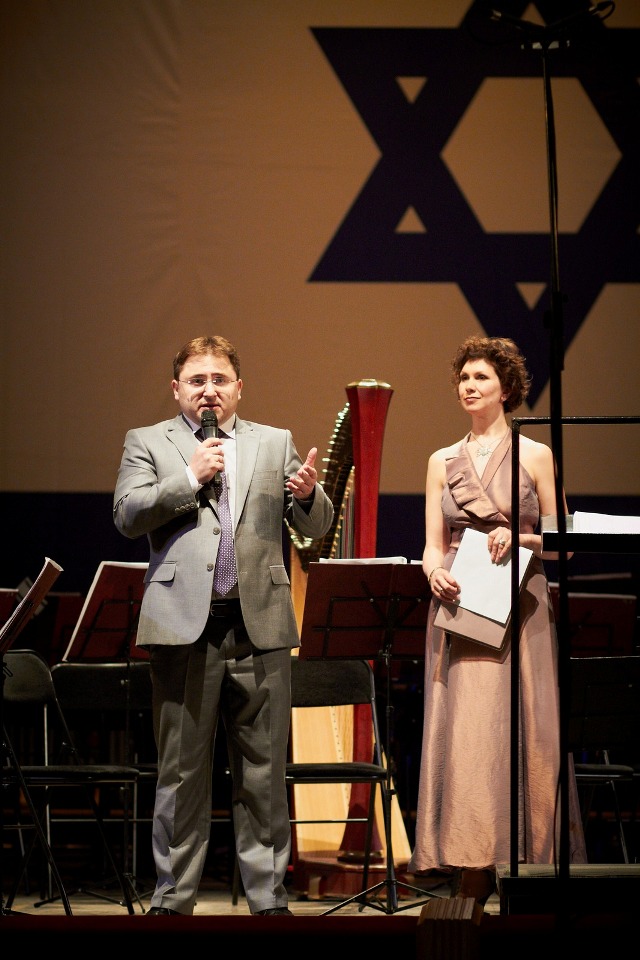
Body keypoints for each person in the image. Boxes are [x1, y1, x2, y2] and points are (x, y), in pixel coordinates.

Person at [113, 335, 334, 916]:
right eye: (196, 380)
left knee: (264, 773)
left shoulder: (274, 442)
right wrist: (188, 477)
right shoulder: (148, 441)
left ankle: (269, 899)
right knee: (181, 772)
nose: (208, 390)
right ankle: (173, 899)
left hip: (258, 627)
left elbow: (315, 526)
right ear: (176, 389)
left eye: (219, 380)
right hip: (184, 630)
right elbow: (127, 515)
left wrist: (309, 496)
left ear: (239, 387)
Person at [407, 335, 587, 905]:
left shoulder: (535, 455)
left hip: (521, 605)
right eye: (463, 377)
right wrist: (432, 573)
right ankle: (470, 864)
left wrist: (522, 536)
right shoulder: (441, 461)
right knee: (467, 732)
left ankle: (529, 862)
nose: (469, 385)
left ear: (506, 388)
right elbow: (432, 544)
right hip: (462, 603)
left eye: (481, 377)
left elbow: (563, 542)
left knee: (526, 729)